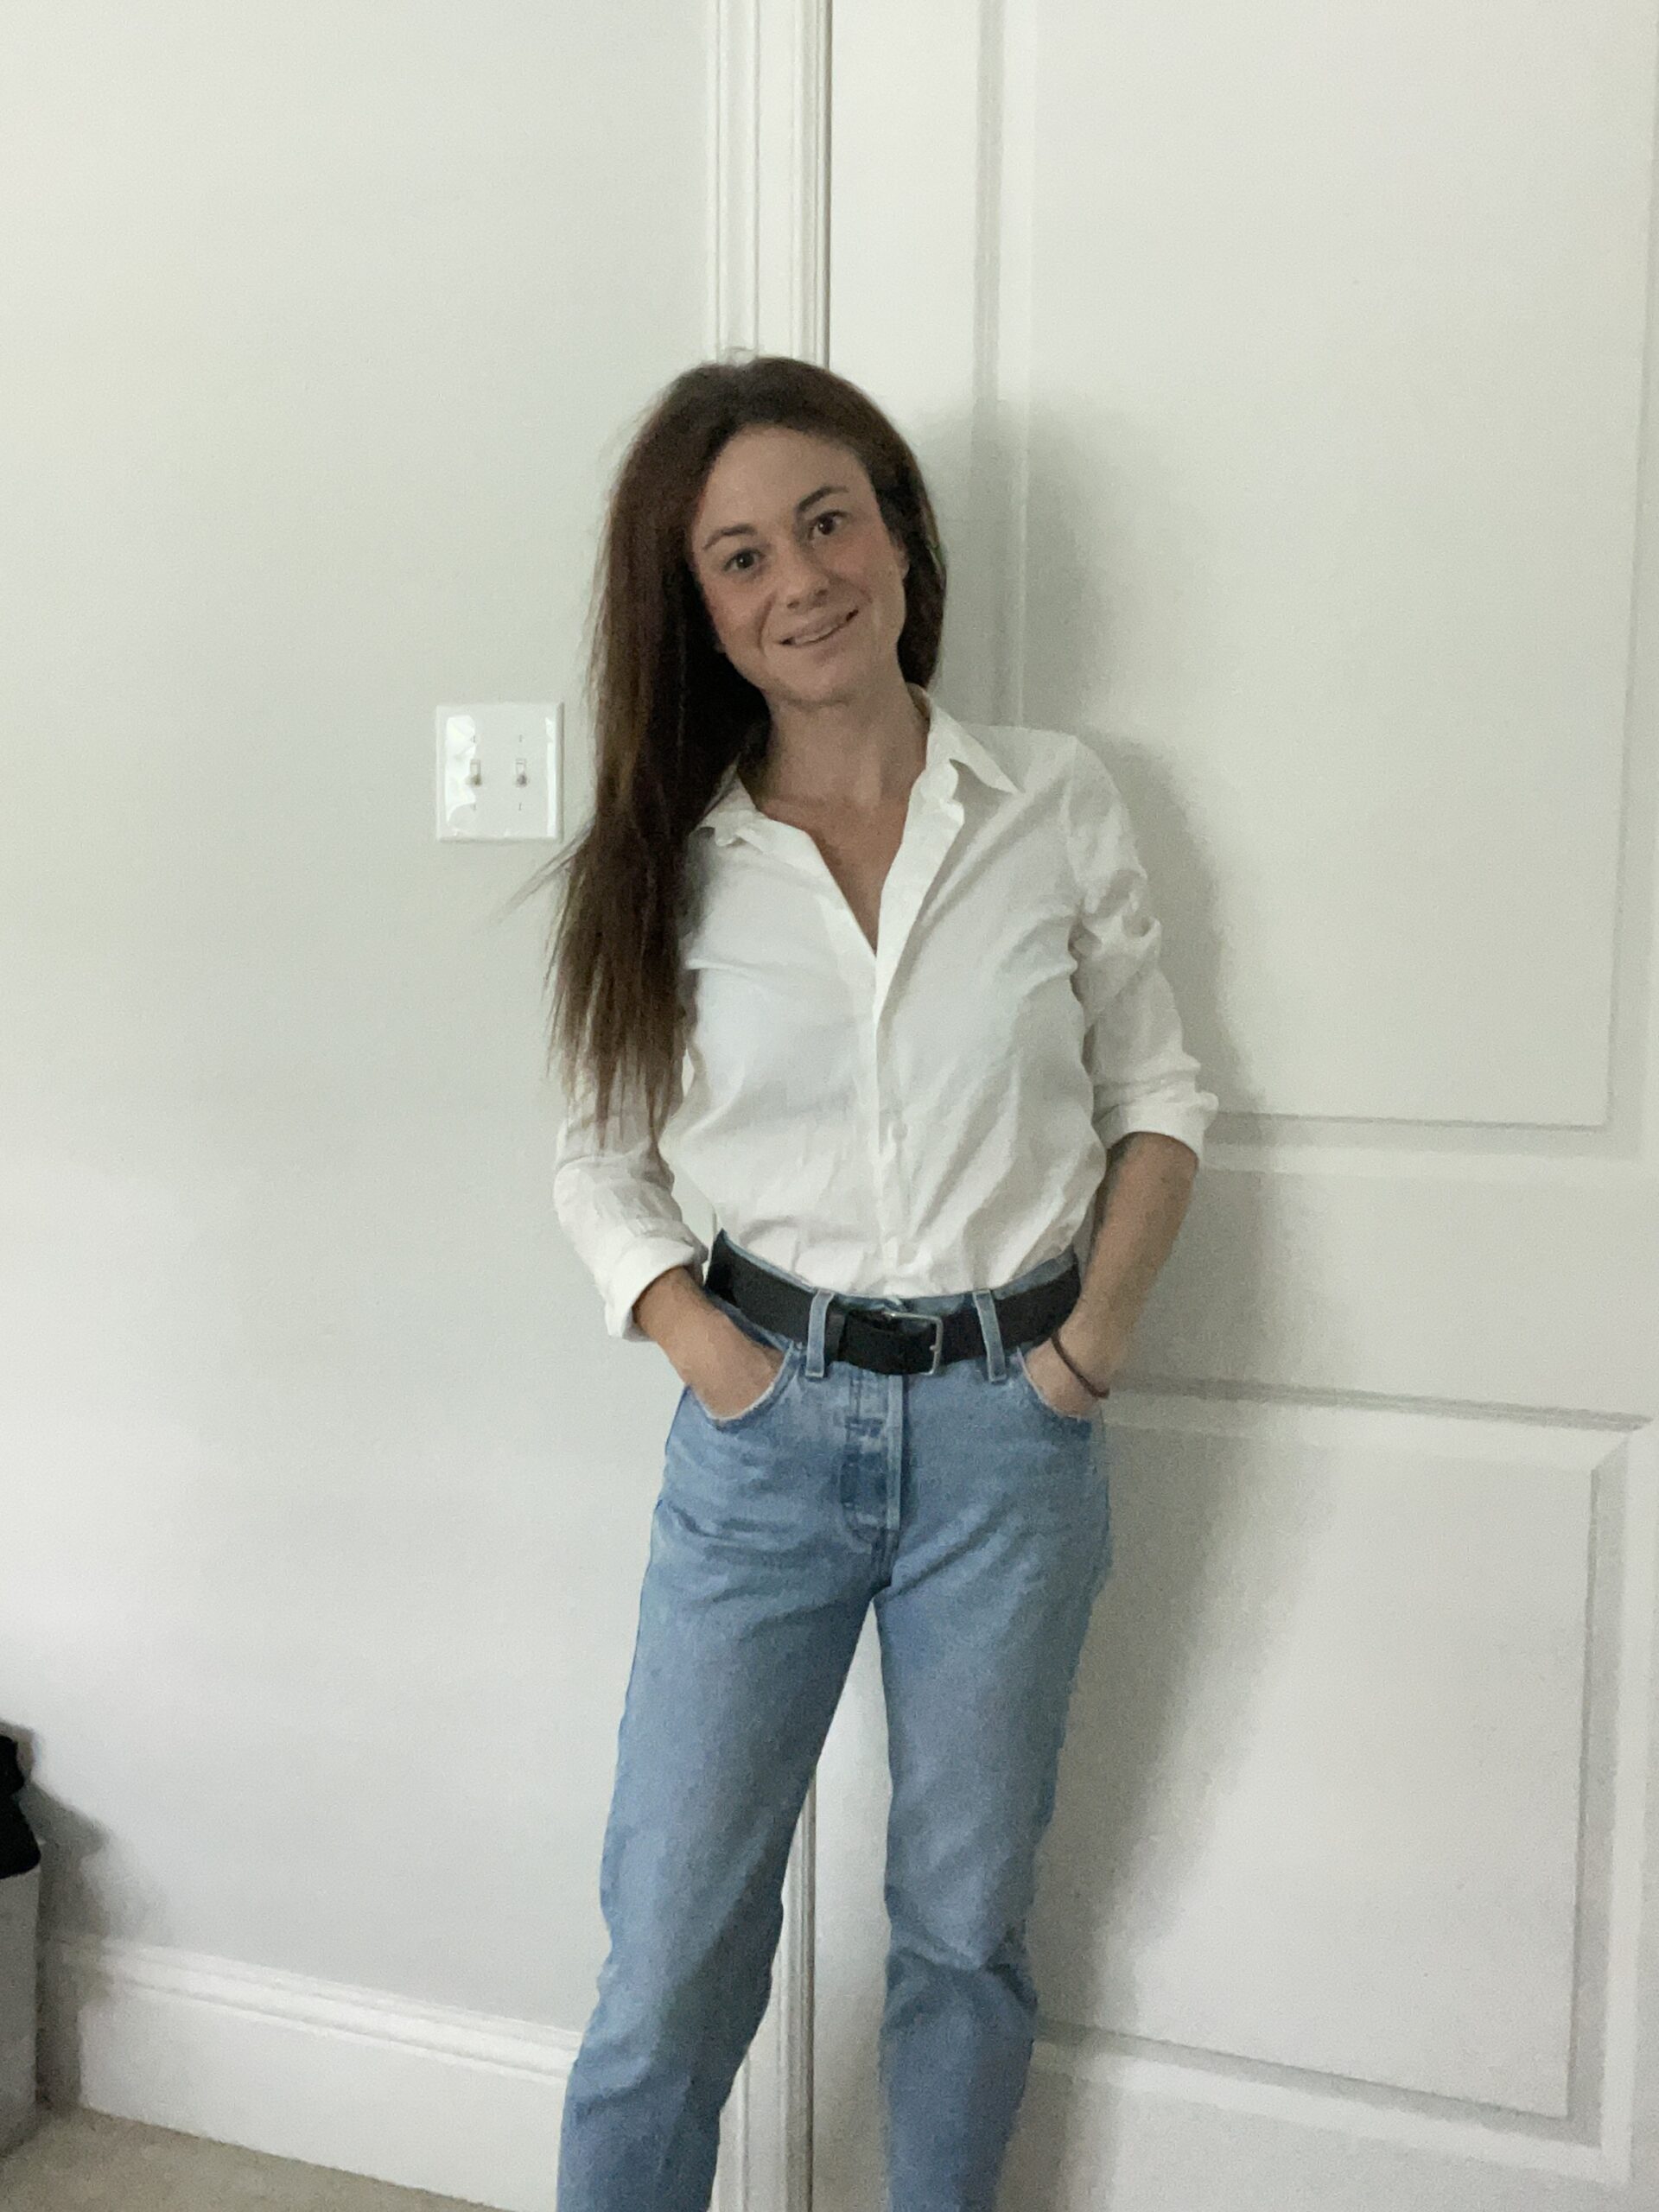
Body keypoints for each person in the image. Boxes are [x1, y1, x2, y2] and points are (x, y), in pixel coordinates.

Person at [524, 353, 1218, 2212]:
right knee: (671, 1946)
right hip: (760, 1444)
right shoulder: (664, 861)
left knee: (963, 1928)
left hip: (1015, 1434)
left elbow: (1159, 1096)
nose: (798, 578)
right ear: (706, 609)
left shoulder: (1060, 800)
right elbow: (601, 1164)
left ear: (901, 534)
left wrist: (1086, 1349)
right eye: (739, 556)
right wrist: (721, 1363)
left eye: (828, 520)